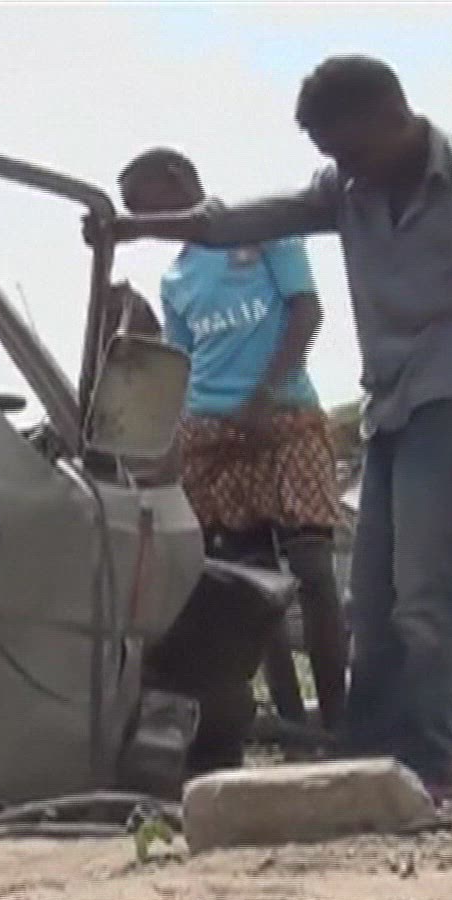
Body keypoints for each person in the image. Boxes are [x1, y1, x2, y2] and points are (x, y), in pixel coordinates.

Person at [90, 55, 452, 799]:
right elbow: (239, 217)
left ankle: (426, 762)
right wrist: (135, 227)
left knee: (426, 593)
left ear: (393, 116)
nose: (345, 170)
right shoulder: (347, 187)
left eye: (350, 151)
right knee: (371, 600)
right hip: (390, 409)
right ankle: (368, 754)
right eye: (331, 158)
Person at [118, 147, 347, 734]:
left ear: (178, 179)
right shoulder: (176, 279)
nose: (144, 221)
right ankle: (293, 723)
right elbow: (181, 362)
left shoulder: (265, 232)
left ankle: (339, 719)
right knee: (252, 587)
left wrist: (266, 393)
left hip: (285, 418)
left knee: (313, 570)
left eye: (143, 204)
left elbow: (306, 311)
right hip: (212, 434)